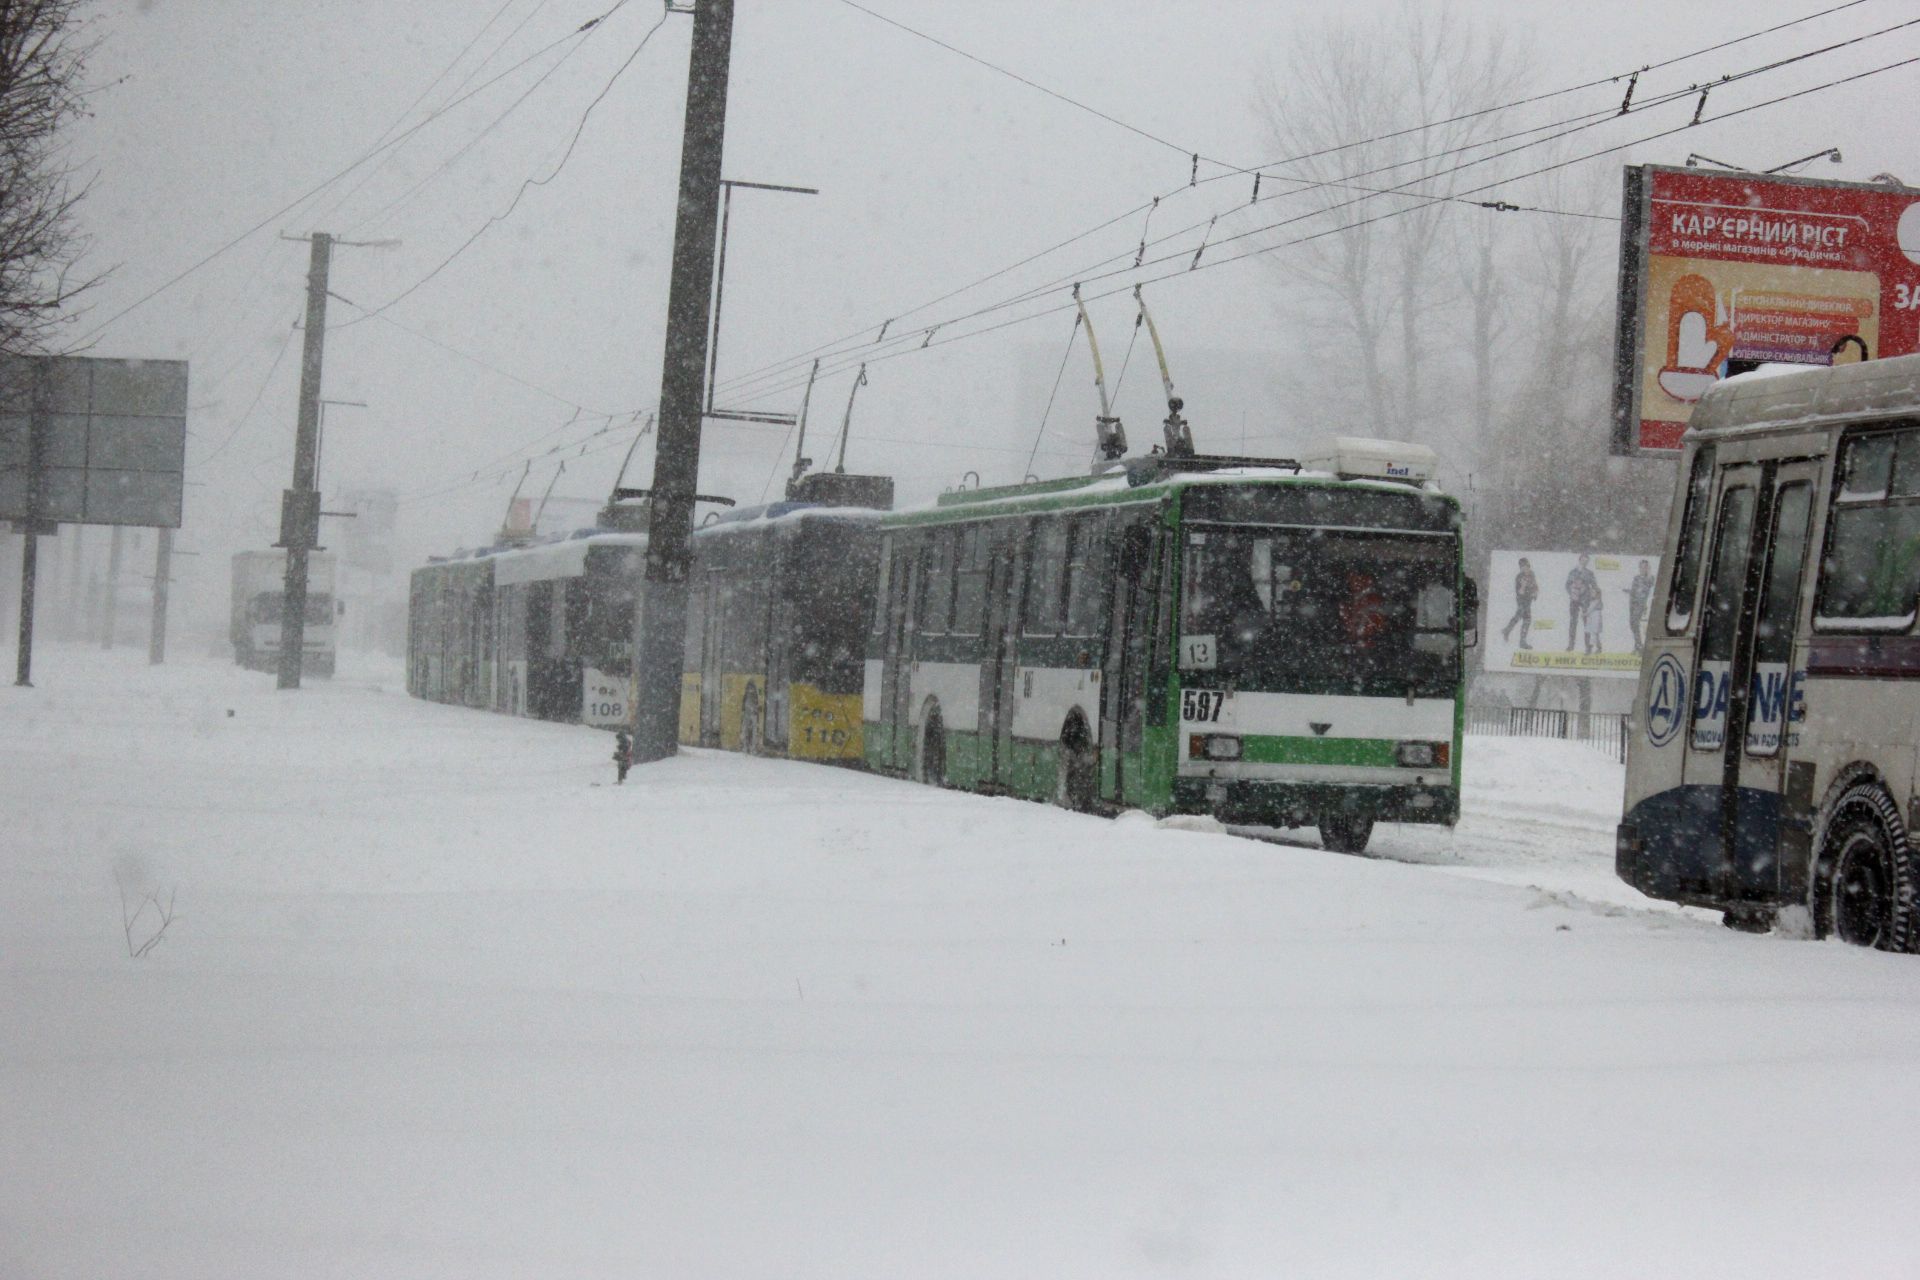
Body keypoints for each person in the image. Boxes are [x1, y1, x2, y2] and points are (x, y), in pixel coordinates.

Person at [1566, 553, 1600, 653]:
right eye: (1583, 560)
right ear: (1579, 560)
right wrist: (1571, 592)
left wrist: (1596, 595)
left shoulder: (1589, 573)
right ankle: (1571, 645)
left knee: (1587, 624)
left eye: (1586, 561)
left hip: (1586, 601)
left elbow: (1594, 585)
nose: (1584, 563)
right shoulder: (1572, 572)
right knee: (1573, 623)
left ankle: (1588, 647)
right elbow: (1567, 585)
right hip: (1574, 600)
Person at [1501, 557, 1537, 649]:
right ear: (1520, 568)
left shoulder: (1532, 574)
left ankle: (1507, 630)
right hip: (1521, 599)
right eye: (1522, 567)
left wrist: (1535, 592)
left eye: (1526, 566)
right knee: (1526, 619)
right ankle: (1522, 641)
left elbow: (1535, 585)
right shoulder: (1519, 577)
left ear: (1528, 566)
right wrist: (1523, 586)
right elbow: (1519, 592)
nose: (1525, 568)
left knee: (1520, 617)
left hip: (1528, 600)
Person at [1626, 559, 1655, 651]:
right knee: (1633, 624)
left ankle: (1639, 646)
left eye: (1645, 567)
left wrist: (1649, 572)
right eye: (1642, 567)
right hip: (1633, 603)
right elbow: (1634, 590)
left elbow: (1649, 584)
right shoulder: (1636, 578)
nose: (1643, 569)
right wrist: (1629, 591)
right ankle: (1637, 645)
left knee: (1636, 624)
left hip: (1641, 604)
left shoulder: (1650, 577)